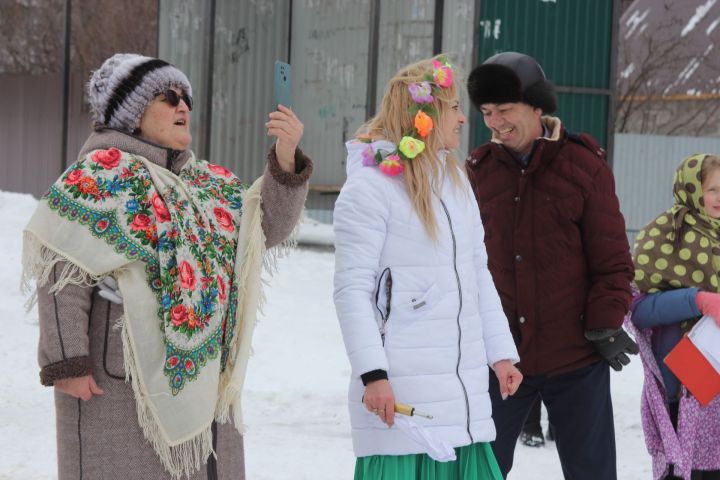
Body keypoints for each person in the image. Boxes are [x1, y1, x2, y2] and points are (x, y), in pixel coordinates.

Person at [21, 53, 312, 479]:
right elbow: (61, 269)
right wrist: (68, 362)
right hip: (119, 381)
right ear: (132, 112)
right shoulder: (97, 175)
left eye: (187, 98)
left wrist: (285, 159)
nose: (183, 107)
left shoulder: (203, 182)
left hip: (205, 377)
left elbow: (263, 230)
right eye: (168, 96)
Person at [333, 54, 523, 480]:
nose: (462, 119)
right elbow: (352, 291)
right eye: (453, 107)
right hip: (401, 402)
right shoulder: (369, 188)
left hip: (463, 404)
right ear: (425, 115)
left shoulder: (455, 183)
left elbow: (477, 276)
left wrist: (501, 355)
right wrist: (373, 375)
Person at [465, 51, 636, 480]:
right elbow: (464, 265)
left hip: (574, 359)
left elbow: (613, 262)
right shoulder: (477, 172)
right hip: (501, 363)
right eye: (487, 112)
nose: (495, 122)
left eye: (505, 110)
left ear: (537, 107)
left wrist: (603, 322)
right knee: (477, 472)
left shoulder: (584, 167)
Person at [628, 153, 720, 480]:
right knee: (689, 471)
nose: (719, 197)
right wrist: (699, 300)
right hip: (685, 378)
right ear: (690, 190)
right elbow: (639, 311)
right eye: (712, 189)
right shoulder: (666, 235)